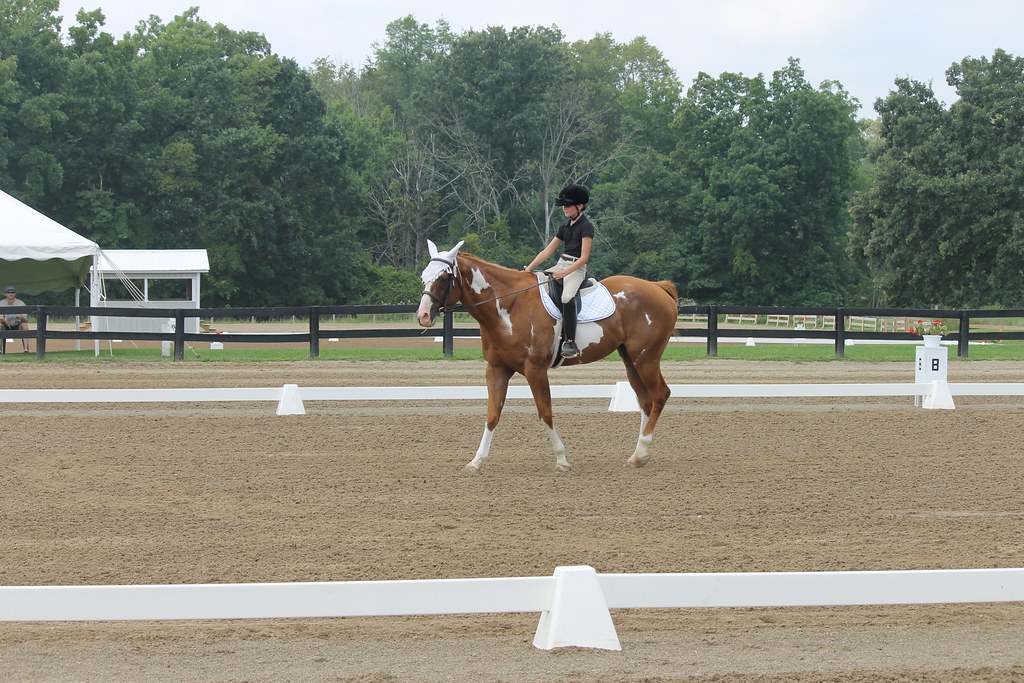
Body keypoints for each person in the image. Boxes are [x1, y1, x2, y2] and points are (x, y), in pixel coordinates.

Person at [523, 183, 594, 359]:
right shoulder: (565, 226)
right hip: (560, 264)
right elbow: (547, 251)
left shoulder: (586, 226)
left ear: (580, 206)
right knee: (534, 283)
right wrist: (528, 269)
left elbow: (584, 257)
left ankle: (570, 342)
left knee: (567, 297)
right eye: (563, 205)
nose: (564, 208)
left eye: (568, 205)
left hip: (576, 268)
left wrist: (565, 273)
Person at [1, 285, 30, 353]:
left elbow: (25, 320)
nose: (10, 294)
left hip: (17, 325)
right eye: (8, 292)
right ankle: (0, 350)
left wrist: (21, 317)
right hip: (5, 325)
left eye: (12, 292)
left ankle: (26, 350)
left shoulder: (20, 303)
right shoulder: (1, 303)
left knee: (24, 325)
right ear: (5, 294)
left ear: (15, 294)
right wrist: (4, 320)